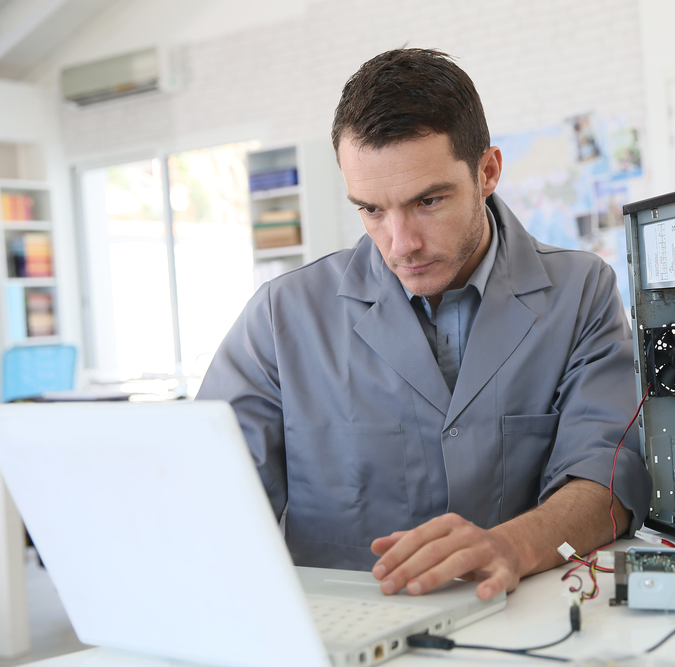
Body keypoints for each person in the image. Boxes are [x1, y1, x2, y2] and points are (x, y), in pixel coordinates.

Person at [197, 48, 652, 601]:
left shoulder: (581, 293)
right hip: (344, 638)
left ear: (487, 172)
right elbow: (205, 499)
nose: (400, 242)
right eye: (371, 209)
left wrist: (513, 545)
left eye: (428, 201)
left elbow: (607, 475)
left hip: (518, 623)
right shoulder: (280, 317)